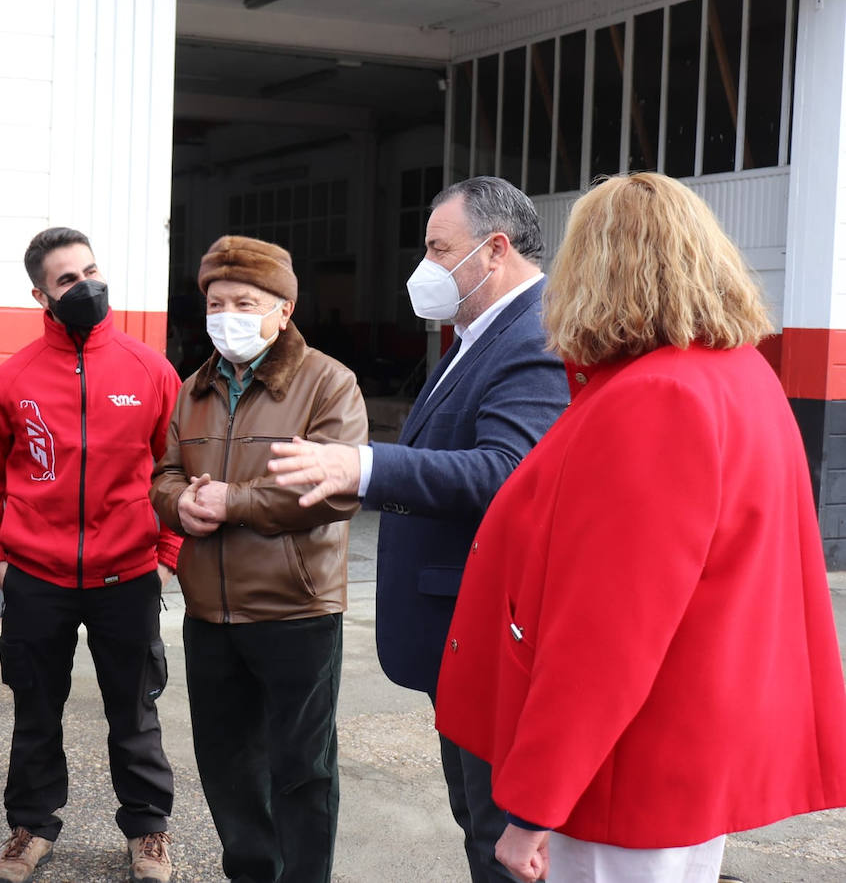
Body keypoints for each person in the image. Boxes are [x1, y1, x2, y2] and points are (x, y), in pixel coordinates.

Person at [434, 172, 846, 882]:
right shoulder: (740, 375)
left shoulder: (653, 398)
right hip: (686, 756)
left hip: (628, 773)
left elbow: (607, 635)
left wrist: (533, 805)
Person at [267, 176, 569, 882]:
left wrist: (364, 467)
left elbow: (505, 472)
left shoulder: (536, 333)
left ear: (495, 251)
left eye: (440, 249)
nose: (426, 266)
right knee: (477, 820)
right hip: (459, 631)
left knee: (501, 832)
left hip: (495, 634)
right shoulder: (476, 333)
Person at [0, 227, 181, 883]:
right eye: (66, 280)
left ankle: (148, 831)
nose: (86, 287)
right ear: (40, 296)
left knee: (134, 713)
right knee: (35, 711)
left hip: (128, 575)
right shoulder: (13, 380)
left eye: (90, 271)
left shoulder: (149, 370)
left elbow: (179, 464)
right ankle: (30, 828)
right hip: (36, 580)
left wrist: (165, 551)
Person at [150, 236, 367, 883]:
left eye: (246, 302)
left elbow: (337, 490)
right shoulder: (194, 389)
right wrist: (176, 504)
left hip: (295, 608)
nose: (228, 315)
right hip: (211, 613)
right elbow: (163, 473)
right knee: (226, 765)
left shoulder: (328, 383)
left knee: (302, 768)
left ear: (284, 309)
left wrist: (232, 502)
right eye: (216, 302)